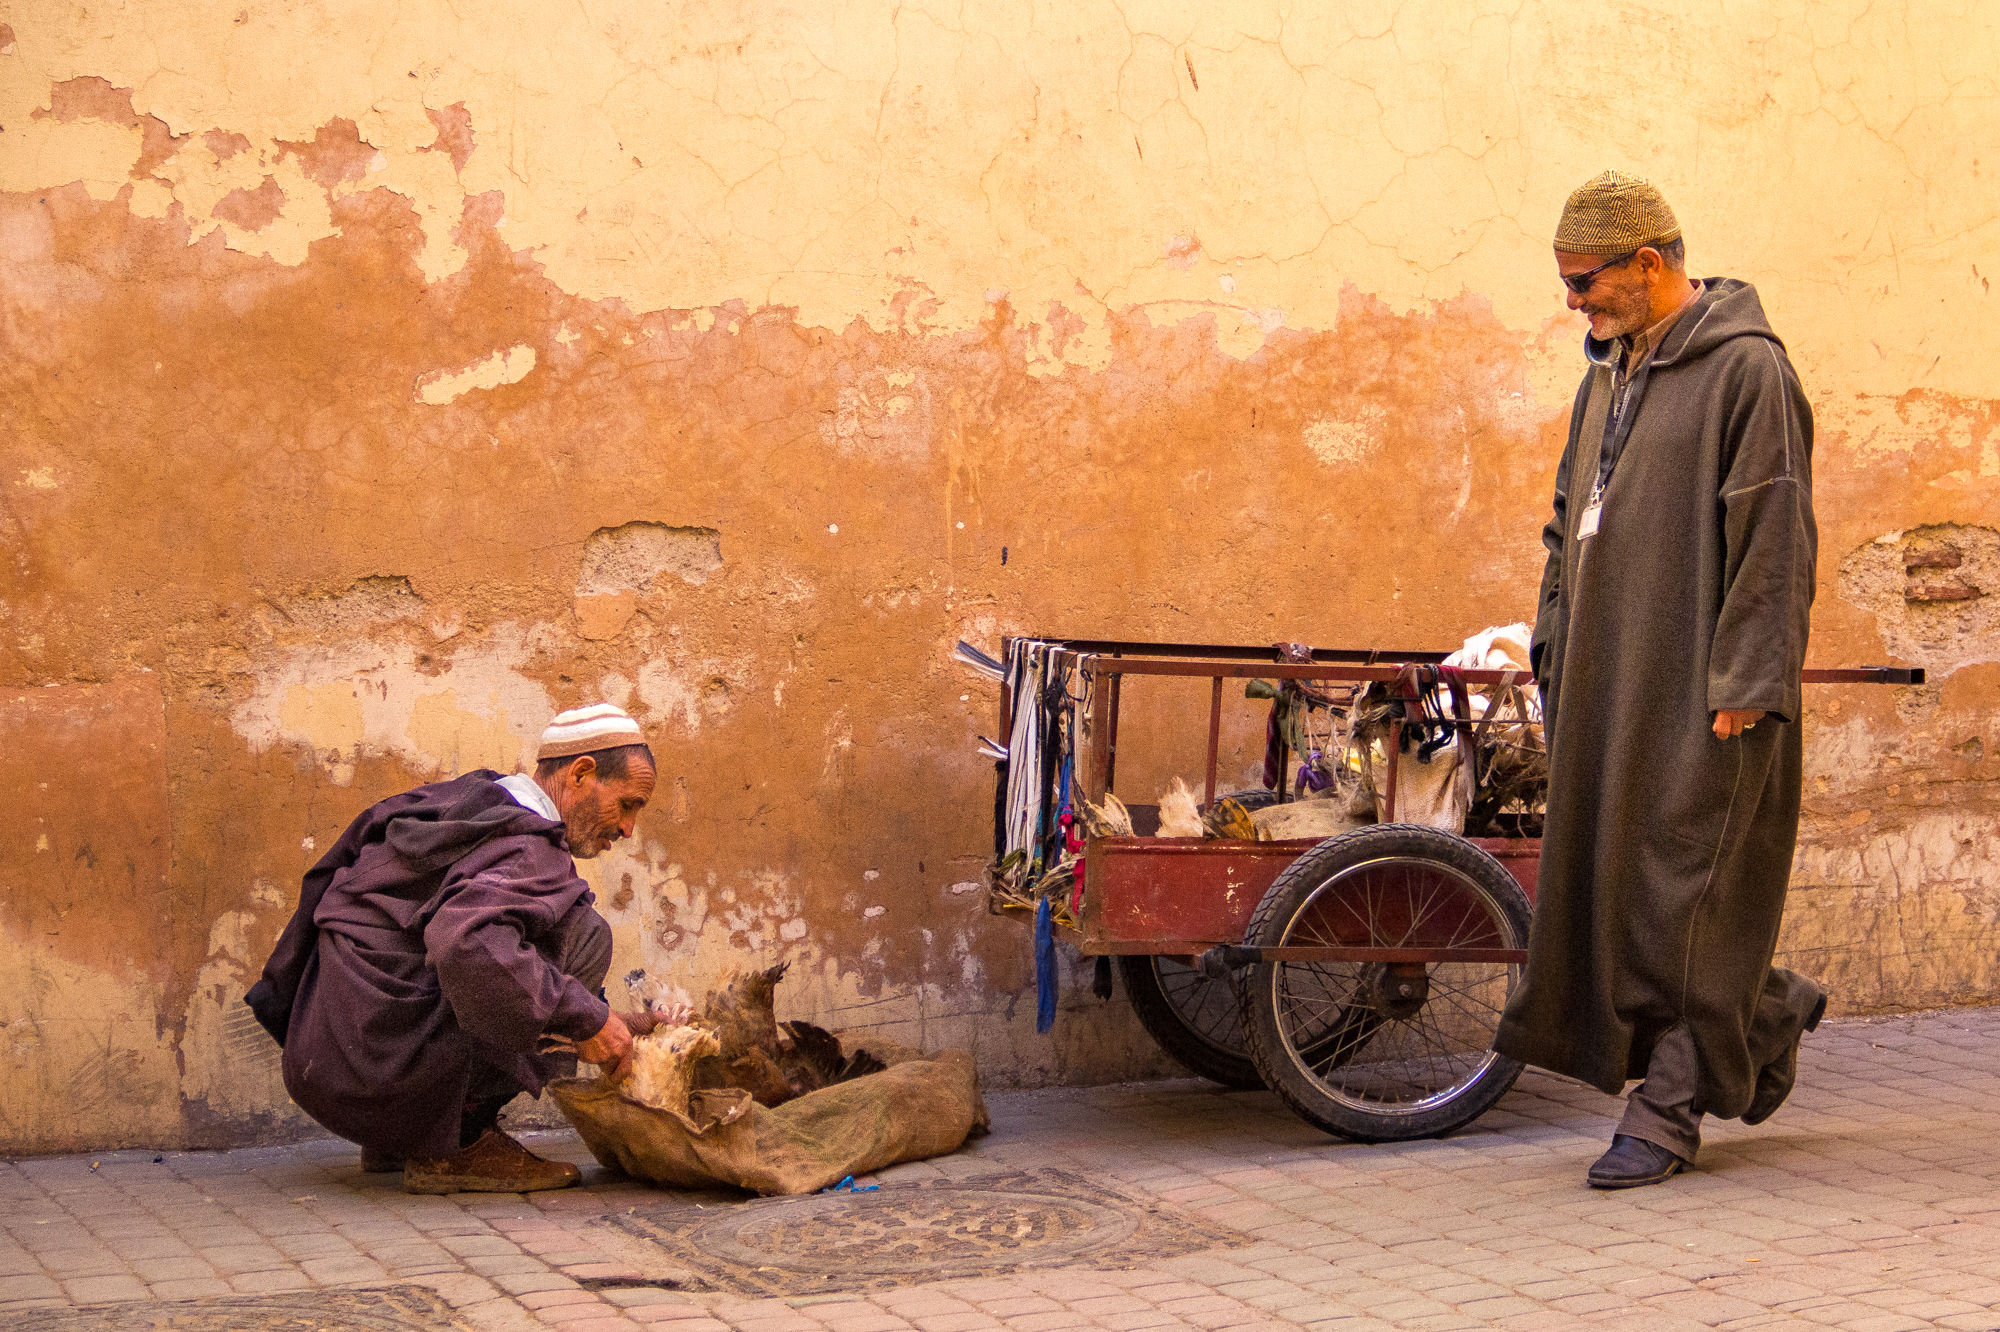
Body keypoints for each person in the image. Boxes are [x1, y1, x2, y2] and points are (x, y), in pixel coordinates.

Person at [1492, 171, 1825, 1189]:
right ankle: (1762, 1008)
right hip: (1607, 675)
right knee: (1621, 885)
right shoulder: (1606, 377)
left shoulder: (1746, 373)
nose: (1572, 304)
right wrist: (1552, 645)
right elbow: (1565, 521)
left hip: (1708, 682)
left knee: (1685, 889)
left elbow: (1772, 532)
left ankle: (1668, 1110)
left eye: (1584, 282)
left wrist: (1748, 675)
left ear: (1649, 262)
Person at [246, 703, 656, 1193]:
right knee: (584, 933)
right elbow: (465, 943)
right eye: (627, 804)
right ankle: (459, 1140)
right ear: (582, 774)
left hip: (327, 1059)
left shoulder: (469, 800)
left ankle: (403, 1138)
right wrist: (586, 1019)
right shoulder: (529, 849)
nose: (628, 829)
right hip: (381, 1068)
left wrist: (607, 1021)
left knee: (528, 957)